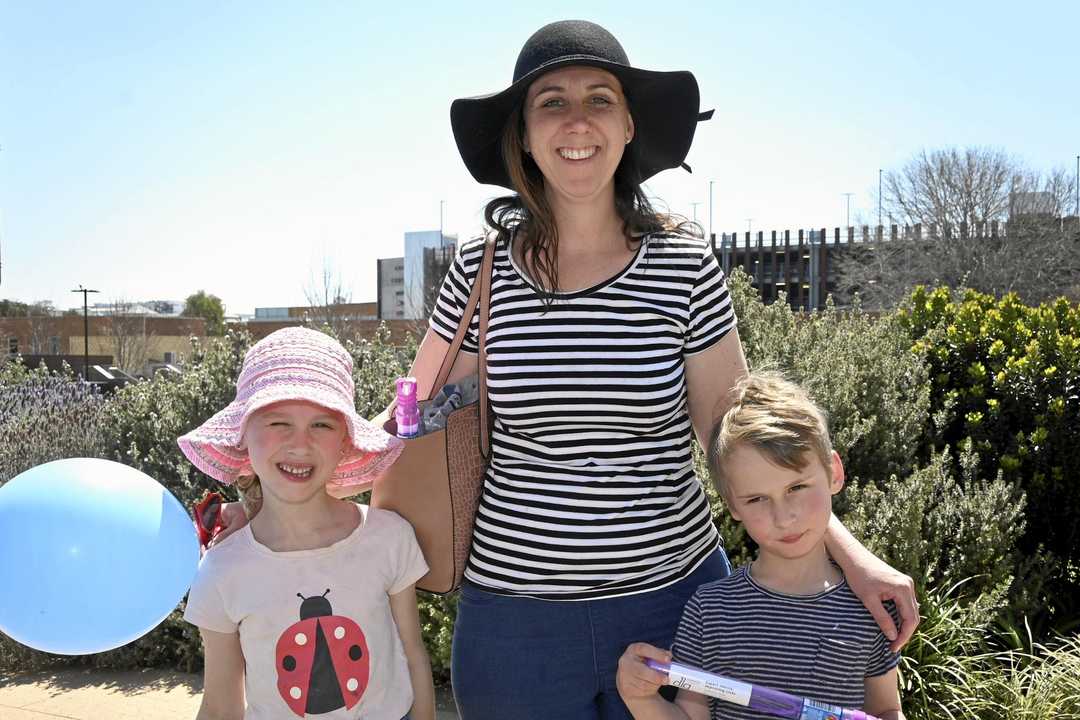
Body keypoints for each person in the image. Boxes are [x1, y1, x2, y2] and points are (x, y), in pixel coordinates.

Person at [206, 19, 919, 720]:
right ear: (523, 132)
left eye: (599, 98)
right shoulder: (481, 270)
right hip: (517, 627)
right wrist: (270, 508)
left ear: (629, 125)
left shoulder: (683, 265)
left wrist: (850, 557)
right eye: (553, 101)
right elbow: (405, 425)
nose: (577, 120)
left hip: (675, 607)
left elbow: (743, 445)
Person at [179, 327, 435, 720]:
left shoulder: (389, 538)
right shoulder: (221, 570)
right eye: (278, 422)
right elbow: (219, 706)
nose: (300, 444)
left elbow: (413, 657)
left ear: (346, 441)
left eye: (322, 425)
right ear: (242, 435)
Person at [616, 373, 905, 720]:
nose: (783, 517)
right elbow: (691, 715)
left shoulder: (869, 611)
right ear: (733, 506)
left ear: (834, 472)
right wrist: (642, 699)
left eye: (797, 488)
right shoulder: (710, 611)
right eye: (757, 499)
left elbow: (887, 709)